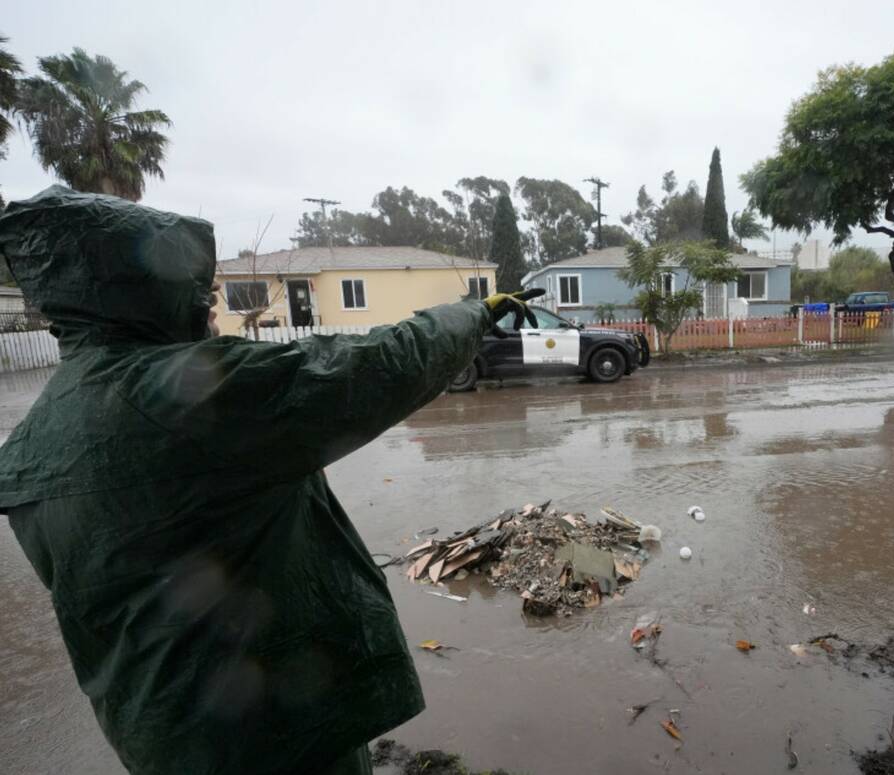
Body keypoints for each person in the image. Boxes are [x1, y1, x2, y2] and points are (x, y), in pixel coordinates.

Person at [0, 186, 541, 775]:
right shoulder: (180, 393)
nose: (209, 313)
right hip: (272, 725)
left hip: (158, 731)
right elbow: (370, 368)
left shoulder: (33, 439)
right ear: (146, 296)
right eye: (196, 296)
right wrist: (474, 313)